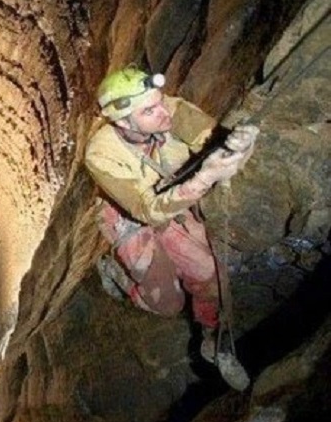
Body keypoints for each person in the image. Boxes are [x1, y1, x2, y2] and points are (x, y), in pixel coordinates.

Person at [84, 64, 259, 390]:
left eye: (159, 101)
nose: (163, 112)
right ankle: (118, 274)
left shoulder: (173, 111)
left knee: (211, 274)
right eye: (149, 111)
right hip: (129, 216)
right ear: (123, 122)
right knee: (168, 304)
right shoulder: (101, 153)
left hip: (173, 201)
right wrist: (205, 177)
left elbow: (218, 144)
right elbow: (146, 210)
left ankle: (214, 341)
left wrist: (240, 148)